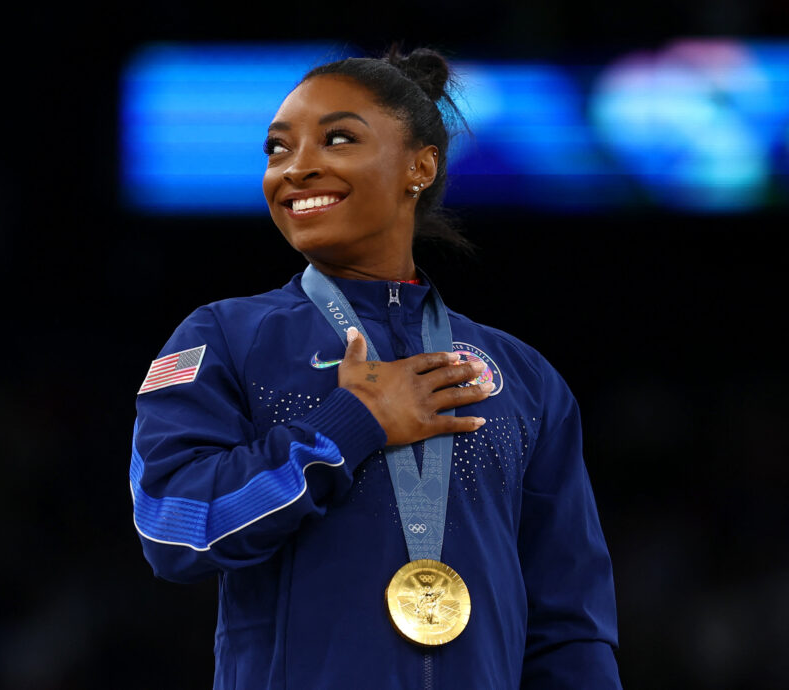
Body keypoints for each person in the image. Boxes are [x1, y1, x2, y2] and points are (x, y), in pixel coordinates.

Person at [129, 47, 620, 689]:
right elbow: (172, 525)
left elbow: (571, 626)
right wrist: (349, 424)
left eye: (337, 139)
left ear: (420, 165)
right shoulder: (225, 337)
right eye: (277, 150)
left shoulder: (522, 378)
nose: (298, 169)